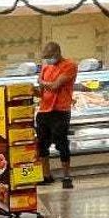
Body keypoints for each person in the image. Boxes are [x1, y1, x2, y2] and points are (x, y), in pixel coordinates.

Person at [36, 41, 78, 188]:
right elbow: (41, 92)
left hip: (61, 111)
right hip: (43, 111)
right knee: (41, 144)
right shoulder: (45, 68)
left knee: (61, 143)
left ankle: (67, 176)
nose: (48, 60)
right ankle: (46, 175)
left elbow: (54, 86)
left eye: (50, 56)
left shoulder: (69, 65)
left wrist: (41, 81)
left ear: (57, 53)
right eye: (46, 57)